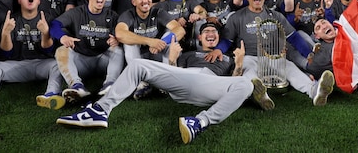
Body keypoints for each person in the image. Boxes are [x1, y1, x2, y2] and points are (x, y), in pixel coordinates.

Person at [55, 32, 262, 145]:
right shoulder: (189, 54)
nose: (210, 33)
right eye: (205, 31)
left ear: (219, 39)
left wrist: (239, 64)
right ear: (199, 38)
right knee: (137, 65)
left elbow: (232, 87)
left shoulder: (226, 58)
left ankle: (199, 122)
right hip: (186, 80)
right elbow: (172, 81)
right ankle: (100, 111)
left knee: (244, 83)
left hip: (212, 84)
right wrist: (172, 59)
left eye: (214, 32)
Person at [214, 0, 334, 109]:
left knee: (290, 69)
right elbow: (227, 40)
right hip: (250, 57)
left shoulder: (275, 15)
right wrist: (219, 49)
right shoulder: (237, 17)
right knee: (249, 73)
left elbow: (293, 37)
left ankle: (315, 91)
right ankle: (261, 96)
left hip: (273, 56)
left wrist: (308, 54)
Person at [50, 0, 125, 103]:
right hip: (81, 60)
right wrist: (63, 37)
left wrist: (118, 39)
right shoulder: (77, 13)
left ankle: (110, 84)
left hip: (102, 59)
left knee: (118, 51)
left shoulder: (112, 15)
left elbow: (124, 31)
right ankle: (76, 86)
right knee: (61, 50)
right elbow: (54, 24)